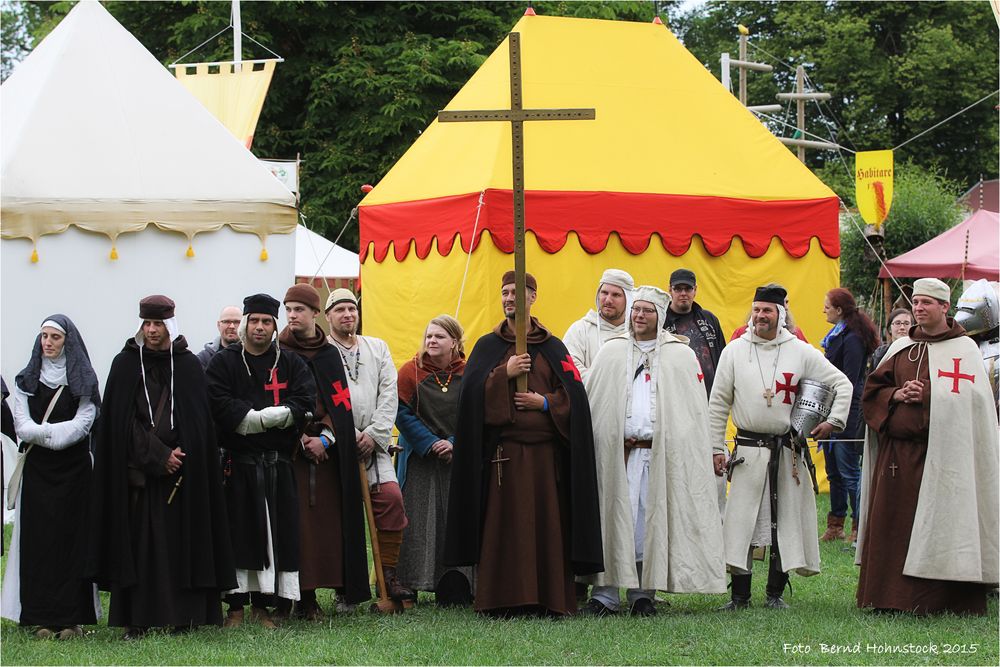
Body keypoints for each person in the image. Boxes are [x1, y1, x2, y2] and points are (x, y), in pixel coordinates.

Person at [445, 271, 603, 617]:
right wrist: (505, 374)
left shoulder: (553, 347)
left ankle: (548, 599)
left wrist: (544, 403)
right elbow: (470, 401)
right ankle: (501, 599)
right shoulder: (488, 347)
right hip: (504, 458)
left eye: (517, 293)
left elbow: (575, 399)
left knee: (546, 527)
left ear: (533, 297)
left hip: (546, 461)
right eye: (504, 293)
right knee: (504, 528)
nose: (509, 299)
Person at [86, 296, 235, 639]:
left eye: (158, 325)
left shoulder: (186, 365)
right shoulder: (125, 364)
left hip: (181, 478)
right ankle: (136, 619)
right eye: (147, 324)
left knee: (181, 545)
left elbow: (199, 421)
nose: (152, 331)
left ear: (170, 325)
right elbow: (119, 424)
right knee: (138, 549)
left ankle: (184, 616)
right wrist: (157, 455)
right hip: (138, 477)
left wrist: (180, 453)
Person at [857, 278, 999, 615]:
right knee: (893, 523)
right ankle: (889, 599)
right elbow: (872, 393)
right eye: (916, 302)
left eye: (927, 303)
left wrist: (929, 397)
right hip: (896, 457)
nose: (919, 309)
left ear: (945, 308)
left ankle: (940, 600)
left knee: (945, 523)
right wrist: (896, 395)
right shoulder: (899, 348)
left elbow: (976, 404)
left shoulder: (964, 350)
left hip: (946, 456)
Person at [582, 286, 725, 617]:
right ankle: (604, 593)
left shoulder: (680, 355)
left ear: (659, 316)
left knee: (648, 523)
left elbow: (692, 413)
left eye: (647, 311)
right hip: (617, 456)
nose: (639, 316)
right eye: (635, 310)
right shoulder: (611, 352)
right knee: (613, 520)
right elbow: (596, 404)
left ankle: (642, 592)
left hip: (659, 457)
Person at [709, 285, 851, 610]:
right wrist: (716, 447)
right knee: (742, 523)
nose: (760, 316)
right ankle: (739, 596)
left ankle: (774, 593)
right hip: (747, 451)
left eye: (768, 311)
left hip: (787, 453)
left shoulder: (799, 351)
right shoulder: (734, 351)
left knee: (783, 521)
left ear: (780, 314)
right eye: (757, 310)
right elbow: (717, 404)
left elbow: (841, 383)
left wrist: (834, 421)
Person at [207, 293, 316, 629]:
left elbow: (305, 402)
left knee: (276, 536)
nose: (259, 327)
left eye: (266, 322)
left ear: (274, 326)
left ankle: (263, 607)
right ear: (243, 323)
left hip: (278, 464)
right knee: (240, 535)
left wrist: (262, 419)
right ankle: (235, 608)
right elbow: (219, 405)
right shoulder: (224, 363)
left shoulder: (291, 363)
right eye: (253, 320)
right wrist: (270, 419)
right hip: (240, 465)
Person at [1, 316, 101, 639]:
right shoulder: (26, 379)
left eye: (54, 337)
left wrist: (47, 436)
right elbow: (22, 425)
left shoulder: (83, 379)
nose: (47, 342)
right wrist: (50, 436)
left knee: (73, 543)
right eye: (43, 336)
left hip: (74, 473)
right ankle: (40, 618)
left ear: (67, 341)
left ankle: (71, 620)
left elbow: (84, 421)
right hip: (39, 473)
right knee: (39, 543)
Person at [277, 284, 369, 618]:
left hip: (327, 456)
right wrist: (299, 437)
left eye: (299, 309)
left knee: (327, 527)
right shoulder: (279, 351)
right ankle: (298, 597)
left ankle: (329, 592)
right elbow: (274, 401)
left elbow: (340, 403)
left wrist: (326, 438)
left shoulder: (329, 354)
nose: (292, 315)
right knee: (296, 525)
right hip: (292, 454)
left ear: (314, 314)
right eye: (288, 309)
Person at [324, 288, 414, 603]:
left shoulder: (377, 347)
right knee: (340, 514)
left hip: (373, 446)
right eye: (340, 310)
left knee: (391, 500)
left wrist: (374, 434)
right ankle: (345, 588)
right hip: (338, 446)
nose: (347, 315)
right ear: (328, 316)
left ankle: (387, 578)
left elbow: (389, 392)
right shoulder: (323, 351)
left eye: (352, 309)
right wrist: (348, 436)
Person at [394, 315, 473, 605]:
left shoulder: (468, 372)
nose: (432, 341)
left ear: (455, 341)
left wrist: (453, 443)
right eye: (429, 336)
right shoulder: (409, 372)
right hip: (420, 459)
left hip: (457, 458)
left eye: (439, 337)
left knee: (453, 518)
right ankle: (412, 581)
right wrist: (429, 442)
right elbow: (401, 412)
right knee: (419, 521)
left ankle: (456, 582)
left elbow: (474, 412)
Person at [819, 288, 879, 544]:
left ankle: (859, 526)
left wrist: (838, 413)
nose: (824, 310)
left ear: (839, 310)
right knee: (833, 472)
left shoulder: (852, 339)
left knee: (849, 472)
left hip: (848, 412)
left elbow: (850, 381)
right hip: (831, 409)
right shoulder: (836, 336)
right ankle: (836, 524)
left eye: (827, 306)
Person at [563, 269, 635, 382]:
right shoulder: (580, 330)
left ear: (628, 299)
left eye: (616, 295)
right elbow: (570, 365)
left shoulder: (636, 334)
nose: (608, 300)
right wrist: (603, 385)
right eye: (604, 293)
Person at [662, 269, 725, 394]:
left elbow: (723, 356)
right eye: (678, 289)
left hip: (711, 396)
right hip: (677, 394)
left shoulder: (709, 319)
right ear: (670, 290)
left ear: (695, 290)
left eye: (688, 288)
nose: (683, 293)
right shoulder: (661, 321)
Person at [730, 284, 809, 343]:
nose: (786, 307)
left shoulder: (795, 333)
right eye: (757, 309)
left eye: (786, 302)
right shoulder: (741, 334)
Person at [869, 307, 912, 373]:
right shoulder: (880, 353)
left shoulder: (917, 353)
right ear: (889, 328)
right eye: (898, 323)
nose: (902, 327)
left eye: (906, 323)